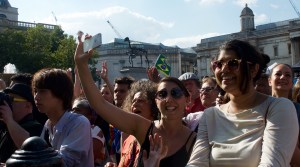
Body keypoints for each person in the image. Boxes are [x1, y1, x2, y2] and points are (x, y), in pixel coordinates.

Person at [75, 38, 197, 167]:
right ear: (156, 101)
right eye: (162, 94)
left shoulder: (196, 140)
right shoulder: (143, 127)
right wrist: (81, 64)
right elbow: (100, 104)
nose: (168, 99)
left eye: (175, 93)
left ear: (187, 99)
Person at [187, 39, 299, 166]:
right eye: (218, 64)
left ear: (253, 69)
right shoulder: (210, 115)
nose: (224, 69)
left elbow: (273, 164)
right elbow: (196, 163)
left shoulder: (279, 107)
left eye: (233, 63)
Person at [32, 68, 94, 167]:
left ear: (60, 94)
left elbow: (64, 162)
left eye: (42, 91)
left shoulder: (79, 123)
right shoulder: (48, 124)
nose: (36, 97)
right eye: (35, 91)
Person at [0, 83, 43, 163]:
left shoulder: (36, 128)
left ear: (28, 106)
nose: (8, 103)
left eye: (12, 99)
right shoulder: (6, 126)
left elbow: (29, 149)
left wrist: (9, 120)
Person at [268, 63, 300, 166]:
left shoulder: (298, 110)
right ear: (269, 81)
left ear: (291, 83)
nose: (283, 77)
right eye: (278, 74)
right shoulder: (260, 108)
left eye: (288, 75)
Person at [72, 97, 110, 167]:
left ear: (90, 116)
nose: (73, 113)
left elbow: (87, 160)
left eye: (77, 110)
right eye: (72, 110)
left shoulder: (95, 131)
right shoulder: (72, 131)